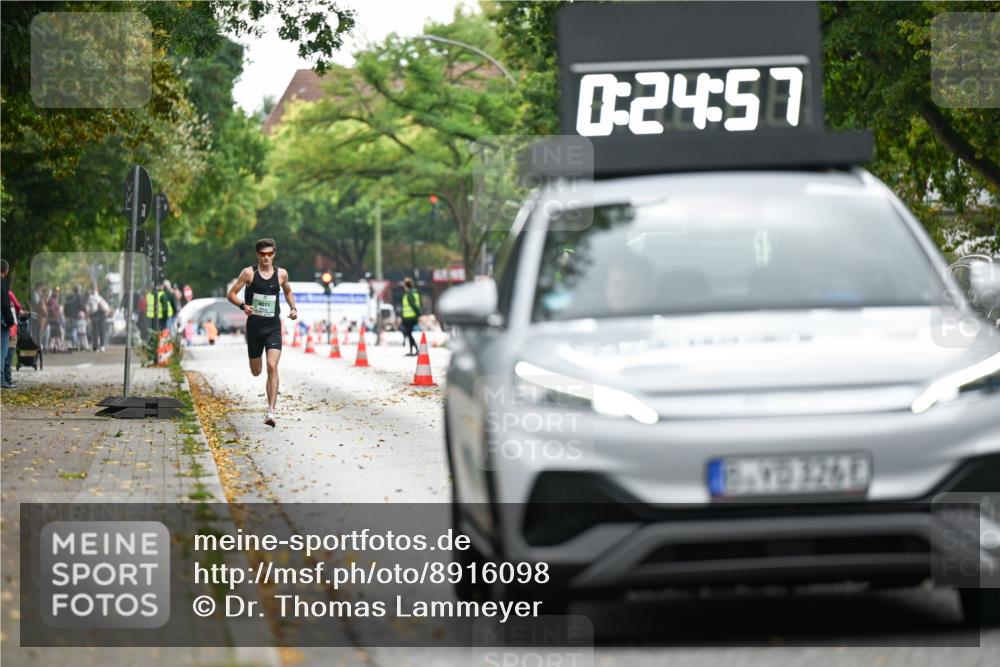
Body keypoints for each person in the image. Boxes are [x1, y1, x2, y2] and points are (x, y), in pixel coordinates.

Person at [226, 238, 298, 427]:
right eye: (263, 254)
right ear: (258, 255)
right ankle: (269, 407)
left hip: (273, 327)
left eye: (270, 254)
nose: (266, 258)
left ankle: (271, 412)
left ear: (274, 254)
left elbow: (288, 291)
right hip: (255, 328)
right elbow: (231, 294)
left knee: (272, 366)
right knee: (256, 371)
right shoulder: (249, 273)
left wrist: (293, 308)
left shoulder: (281, 274)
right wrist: (243, 306)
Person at [1, 260, 17, 389]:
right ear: (5, 270)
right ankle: (1, 379)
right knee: (2, 351)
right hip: (2, 322)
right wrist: (10, 321)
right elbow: (5, 304)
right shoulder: (2, 283)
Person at [6, 286, 23, 387]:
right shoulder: (8, 293)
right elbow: (18, 306)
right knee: (9, 354)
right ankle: (7, 379)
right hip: (11, 328)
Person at [400, 277, 421, 356]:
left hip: (409, 318)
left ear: (406, 286)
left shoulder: (409, 295)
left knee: (409, 334)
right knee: (409, 334)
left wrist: (418, 314)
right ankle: (413, 350)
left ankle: (414, 350)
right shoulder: (414, 293)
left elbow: (413, 305)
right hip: (411, 317)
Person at [86, 285, 110, 351]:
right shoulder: (99, 298)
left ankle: (96, 346)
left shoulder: (90, 298)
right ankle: (101, 345)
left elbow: (87, 308)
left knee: (95, 331)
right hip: (101, 315)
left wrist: (88, 316)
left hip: (95, 315)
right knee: (101, 331)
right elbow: (106, 307)